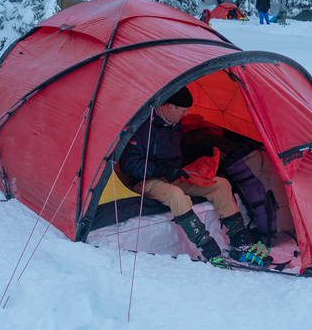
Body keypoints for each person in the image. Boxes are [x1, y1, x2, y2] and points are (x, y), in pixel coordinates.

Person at [116, 86, 272, 267]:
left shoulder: (173, 124)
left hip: (172, 176)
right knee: (177, 196)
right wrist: (160, 169)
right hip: (145, 181)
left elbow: (176, 146)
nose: (186, 114)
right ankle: (210, 249)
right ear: (169, 107)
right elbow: (127, 164)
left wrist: (199, 149)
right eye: (183, 110)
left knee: (220, 184)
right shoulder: (142, 128)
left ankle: (241, 244)